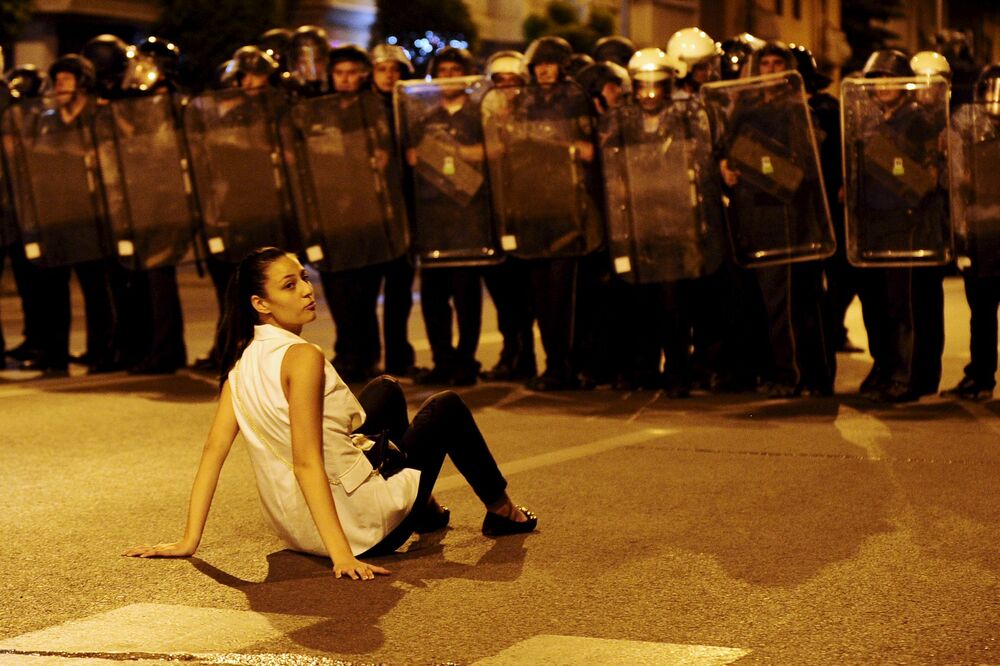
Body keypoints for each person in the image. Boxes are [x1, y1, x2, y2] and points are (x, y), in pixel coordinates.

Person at [123, 247, 537, 578]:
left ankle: (425, 508)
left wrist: (189, 540)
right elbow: (306, 461)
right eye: (289, 285)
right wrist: (343, 555)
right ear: (260, 304)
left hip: (294, 528)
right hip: (358, 529)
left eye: (303, 277)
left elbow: (213, 452)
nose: (306, 289)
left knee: (386, 391)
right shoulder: (301, 357)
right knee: (445, 406)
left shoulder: (241, 362)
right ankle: (503, 512)